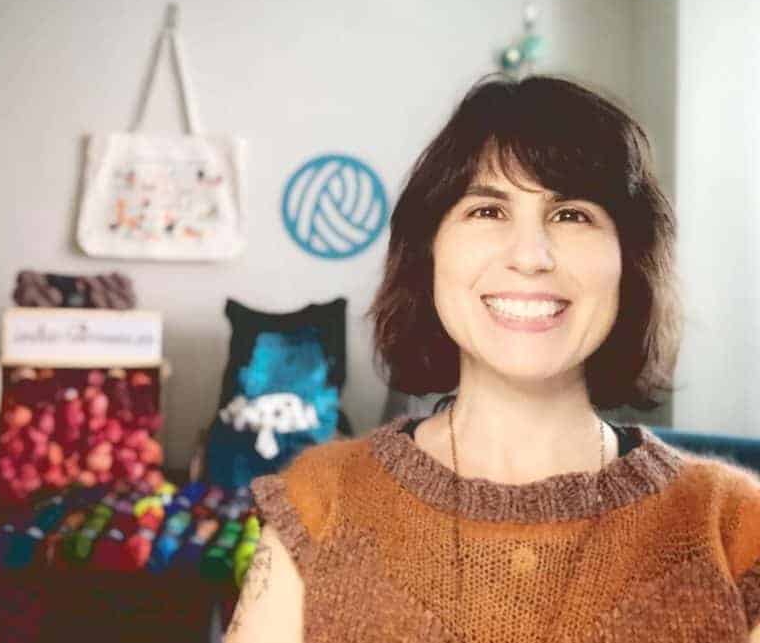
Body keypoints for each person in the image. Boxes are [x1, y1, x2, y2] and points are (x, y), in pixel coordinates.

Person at [224, 74, 760, 643]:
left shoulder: (737, 530)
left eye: (572, 214)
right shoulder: (317, 502)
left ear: (629, 261)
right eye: (487, 211)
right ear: (430, 253)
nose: (530, 256)